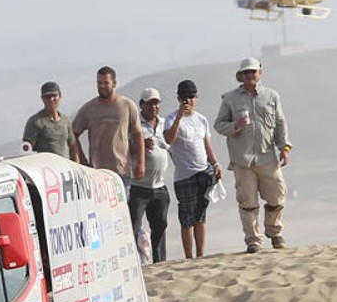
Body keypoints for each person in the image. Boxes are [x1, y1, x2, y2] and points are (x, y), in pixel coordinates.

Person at [213, 56, 291, 253]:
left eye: (253, 72)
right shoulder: (230, 98)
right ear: (241, 75)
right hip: (242, 159)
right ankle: (253, 240)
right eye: (246, 72)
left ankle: (274, 231)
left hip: (267, 156)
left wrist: (284, 147)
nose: (250, 75)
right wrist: (235, 126)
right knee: (248, 201)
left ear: (260, 73)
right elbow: (219, 125)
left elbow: (280, 123)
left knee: (277, 196)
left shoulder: (271, 96)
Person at [164, 78, 223, 259]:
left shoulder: (201, 120)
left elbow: (207, 145)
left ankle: (200, 254)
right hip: (184, 175)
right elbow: (168, 140)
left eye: (190, 97)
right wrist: (180, 117)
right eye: (183, 97)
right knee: (187, 218)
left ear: (196, 97)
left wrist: (215, 163)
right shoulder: (172, 119)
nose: (187, 101)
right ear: (178, 99)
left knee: (200, 215)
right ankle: (189, 256)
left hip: (202, 171)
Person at [70, 67, 145, 183]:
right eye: (99, 83)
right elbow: (72, 133)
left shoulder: (127, 105)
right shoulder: (89, 108)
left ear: (114, 83)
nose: (102, 86)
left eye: (106, 83)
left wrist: (141, 163)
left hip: (122, 171)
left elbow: (138, 134)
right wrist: (82, 160)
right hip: (97, 173)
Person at [129, 89, 172, 263]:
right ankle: (134, 262)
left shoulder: (163, 124)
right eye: (149, 103)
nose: (153, 106)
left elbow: (169, 145)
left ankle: (160, 262)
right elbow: (124, 148)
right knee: (133, 226)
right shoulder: (134, 124)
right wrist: (139, 145)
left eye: (156, 103)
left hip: (159, 185)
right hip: (140, 186)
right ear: (141, 105)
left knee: (160, 225)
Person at [21, 81, 72, 157]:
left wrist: (76, 163)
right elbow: (27, 150)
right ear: (42, 99)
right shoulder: (35, 122)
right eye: (47, 97)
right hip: (46, 167)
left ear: (60, 96)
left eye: (54, 95)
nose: (51, 99)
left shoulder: (65, 120)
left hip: (65, 166)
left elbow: (73, 145)